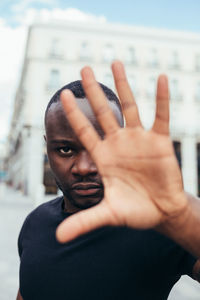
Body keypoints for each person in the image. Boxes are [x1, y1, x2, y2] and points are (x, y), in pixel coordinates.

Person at [17, 61, 200, 300]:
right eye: (64, 150)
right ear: (47, 147)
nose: (84, 168)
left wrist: (185, 216)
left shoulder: (162, 226)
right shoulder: (35, 222)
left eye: (101, 147)